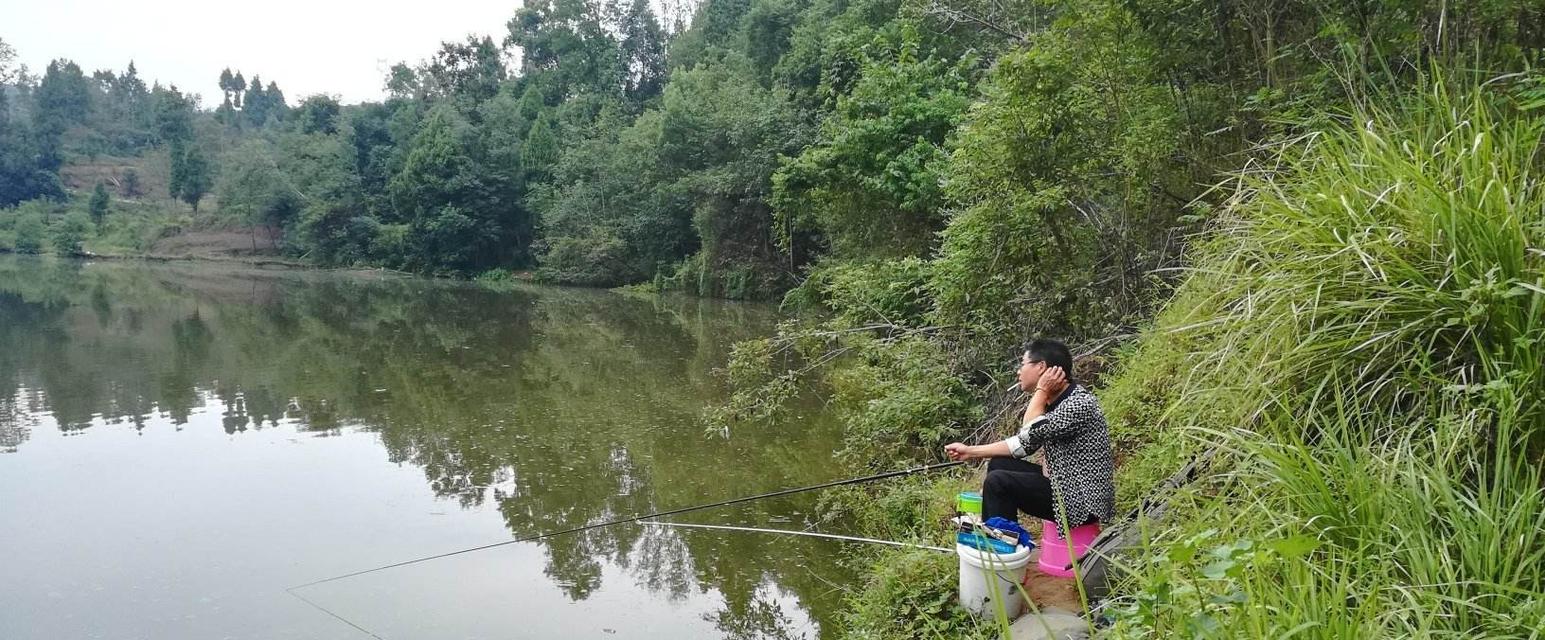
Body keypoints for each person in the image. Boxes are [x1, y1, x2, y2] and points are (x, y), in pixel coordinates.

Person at [944, 339, 1114, 533]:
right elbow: (1023, 445)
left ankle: (1002, 545)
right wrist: (970, 451)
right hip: (1063, 485)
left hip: (1082, 502)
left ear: (1041, 367)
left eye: (1023, 365)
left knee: (998, 482)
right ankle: (1000, 532)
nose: (1019, 371)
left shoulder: (1077, 404)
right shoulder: (1058, 400)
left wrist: (1041, 390)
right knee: (999, 464)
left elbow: (1028, 432)